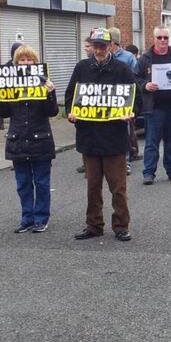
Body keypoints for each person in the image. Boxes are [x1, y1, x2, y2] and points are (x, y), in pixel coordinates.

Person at [64, 28, 137, 242]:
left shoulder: (122, 69)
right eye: (95, 46)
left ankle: (121, 226)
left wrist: (131, 113)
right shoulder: (82, 68)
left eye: (103, 46)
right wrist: (71, 112)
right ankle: (94, 225)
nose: (99, 50)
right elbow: (71, 95)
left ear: (110, 46)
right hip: (89, 137)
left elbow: (135, 98)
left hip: (114, 138)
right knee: (92, 187)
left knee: (118, 187)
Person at [0, 45, 58, 233]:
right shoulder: (10, 85)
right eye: (22, 60)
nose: (26, 63)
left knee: (42, 183)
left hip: (40, 140)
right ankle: (27, 218)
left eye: (29, 60)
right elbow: (3, 112)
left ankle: (41, 218)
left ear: (36, 63)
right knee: (23, 184)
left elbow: (53, 112)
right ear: (16, 63)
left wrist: (51, 93)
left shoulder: (43, 84)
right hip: (17, 140)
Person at [135, 25, 171, 185]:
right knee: (152, 141)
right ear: (154, 39)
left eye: (165, 38)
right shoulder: (145, 58)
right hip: (155, 107)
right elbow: (135, 78)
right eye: (159, 37)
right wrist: (145, 85)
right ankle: (149, 173)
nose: (162, 40)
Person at [108, 27, 140, 176]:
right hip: (105, 99)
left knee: (124, 131)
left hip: (122, 99)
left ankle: (125, 162)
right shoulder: (103, 57)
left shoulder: (128, 58)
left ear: (113, 43)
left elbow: (135, 78)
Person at [76, 37, 96, 175]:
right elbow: (72, 92)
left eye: (88, 46)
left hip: (110, 129)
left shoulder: (120, 67)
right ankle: (87, 165)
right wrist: (72, 112)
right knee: (92, 182)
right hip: (87, 122)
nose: (85, 48)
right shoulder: (81, 66)